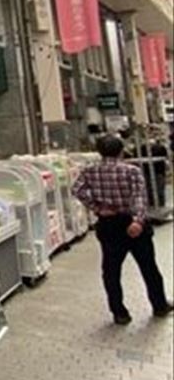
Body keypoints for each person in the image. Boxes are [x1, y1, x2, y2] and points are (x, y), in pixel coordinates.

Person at [72, 135, 172, 325]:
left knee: (111, 270)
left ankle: (119, 313)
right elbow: (139, 197)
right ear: (121, 151)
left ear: (100, 152)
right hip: (132, 222)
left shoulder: (89, 171)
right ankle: (159, 305)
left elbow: (77, 189)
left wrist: (97, 207)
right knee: (148, 267)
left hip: (108, 224)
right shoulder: (132, 171)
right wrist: (138, 221)